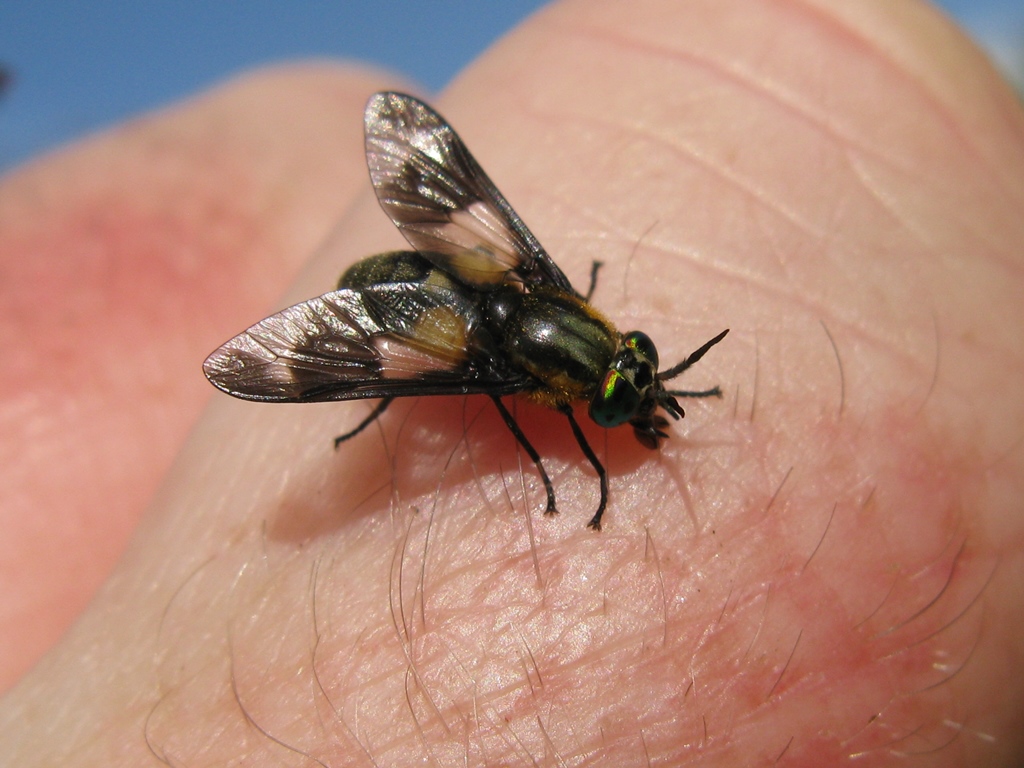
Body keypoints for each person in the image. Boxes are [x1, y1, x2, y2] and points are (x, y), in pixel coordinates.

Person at [2, 1, 1022, 764]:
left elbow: (454, 200)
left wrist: (638, 403)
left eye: (635, 376)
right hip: (423, 317)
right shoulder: (527, 372)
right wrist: (571, 471)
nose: (637, 384)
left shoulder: (556, 301)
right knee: (444, 381)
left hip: (485, 285)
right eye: (635, 380)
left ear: (612, 342)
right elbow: (493, 388)